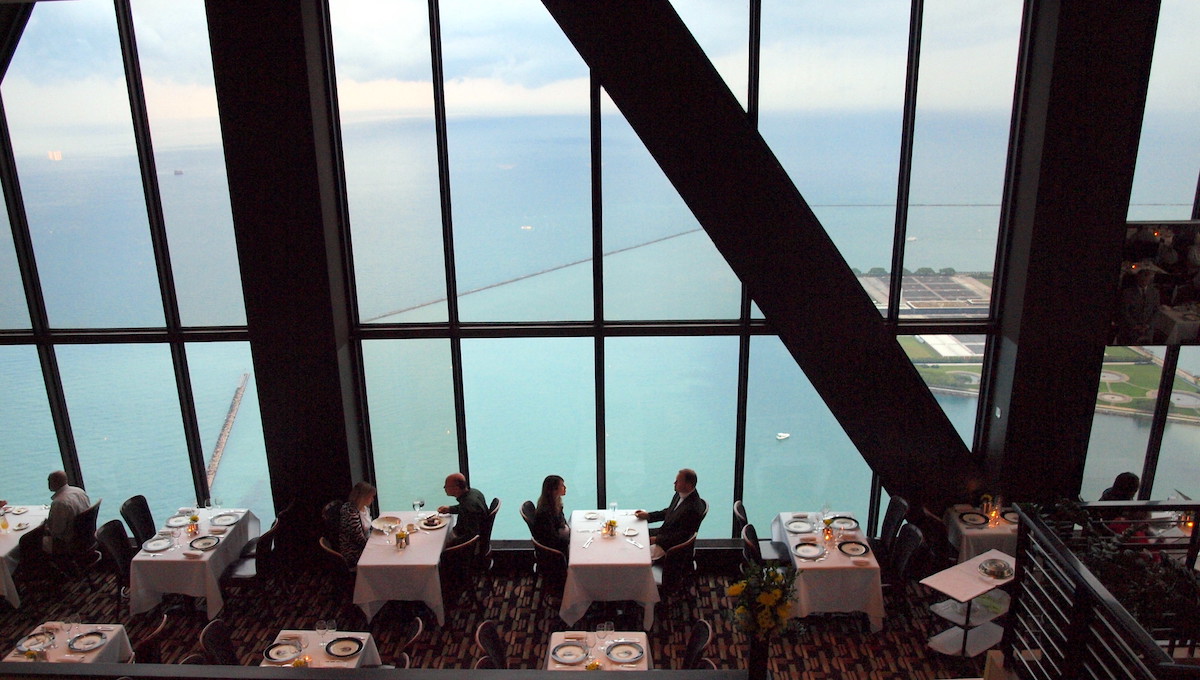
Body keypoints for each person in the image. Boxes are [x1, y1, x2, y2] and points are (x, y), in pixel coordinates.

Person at [635, 468, 704, 560]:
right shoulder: (681, 494)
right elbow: (669, 512)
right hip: (664, 533)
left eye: (678, 481)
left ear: (688, 485)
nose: (674, 483)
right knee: (637, 534)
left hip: (669, 547)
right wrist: (648, 516)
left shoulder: (693, 509)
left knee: (637, 555)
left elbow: (681, 537)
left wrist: (656, 540)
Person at [43, 470, 90, 555]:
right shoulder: (79, 491)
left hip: (68, 544)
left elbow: (56, 531)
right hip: (85, 537)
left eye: (49, 481)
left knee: (34, 542)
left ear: (54, 483)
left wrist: (45, 528)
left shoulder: (59, 503)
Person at [437, 472, 487, 546]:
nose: (444, 488)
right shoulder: (474, 493)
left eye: (446, 486)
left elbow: (471, 536)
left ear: (456, 488)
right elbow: (464, 508)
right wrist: (450, 509)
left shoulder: (468, 507)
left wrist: (447, 545)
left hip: (468, 544)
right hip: (474, 534)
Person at [336, 481, 375, 565]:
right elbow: (359, 540)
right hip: (354, 551)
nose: (372, 499)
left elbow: (370, 527)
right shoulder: (350, 513)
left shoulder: (364, 507)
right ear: (362, 497)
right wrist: (376, 546)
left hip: (366, 543)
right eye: (370, 496)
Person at [1118, 268, 1159, 344]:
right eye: (1142, 279)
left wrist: (1148, 325)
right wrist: (1135, 325)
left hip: (1147, 329)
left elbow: (1156, 311)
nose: (1144, 282)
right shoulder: (1128, 293)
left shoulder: (1154, 292)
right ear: (1138, 278)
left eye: (1146, 280)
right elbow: (1124, 311)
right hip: (1130, 328)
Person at [533, 475, 570, 554]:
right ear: (554, 489)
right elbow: (551, 538)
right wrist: (570, 541)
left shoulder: (556, 504)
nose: (565, 487)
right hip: (555, 550)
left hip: (560, 539)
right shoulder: (545, 512)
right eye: (562, 486)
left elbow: (562, 522)